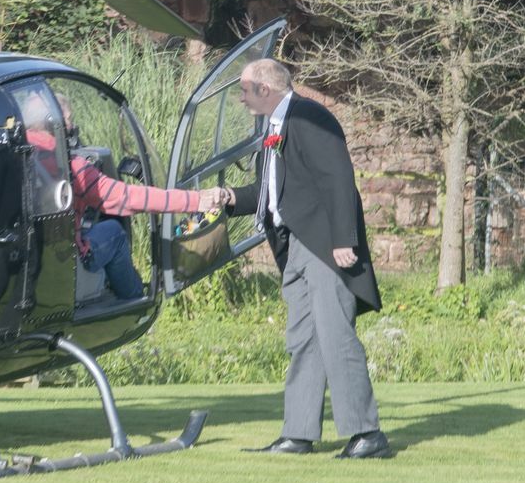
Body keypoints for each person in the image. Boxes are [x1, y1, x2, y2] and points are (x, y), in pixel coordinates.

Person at [218, 59, 390, 459]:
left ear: (264, 88)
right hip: (295, 246)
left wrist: (344, 239)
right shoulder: (274, 127)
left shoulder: (311, 116)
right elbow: (269, 192)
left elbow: (338, 176)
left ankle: (367, 434)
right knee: (302, 339)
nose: (242, 98)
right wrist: (229, 199)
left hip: (323, 244)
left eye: (244, 90)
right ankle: (297, 434)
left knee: (335, 336)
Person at [21, 91, 226, 300]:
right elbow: (126, 197)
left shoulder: (14, 158)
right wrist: (195, 200)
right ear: (51, 122)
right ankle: (135, 300)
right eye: (68, 120)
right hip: (66, 267)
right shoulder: (71, 169)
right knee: (113, 231)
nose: (73, 127)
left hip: (27, 268)